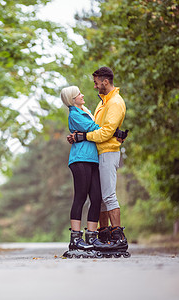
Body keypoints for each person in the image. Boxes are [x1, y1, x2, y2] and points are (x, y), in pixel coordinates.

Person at [67, 67, 128, 251]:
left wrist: (83, 137)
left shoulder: (115, 102)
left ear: (105, 81)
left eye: (96, 82)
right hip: (98, 152)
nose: (94, 86)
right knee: (100, 197)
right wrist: (79, 135)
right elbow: (97, 127)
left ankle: (118, 236)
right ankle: (103, 234)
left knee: (108, 195)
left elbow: (104, 132)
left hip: (108, 151)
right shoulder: (103, 103)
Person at [60, 85, 113, 258]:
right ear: (72, 99)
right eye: (78, 94)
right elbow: (94, 128)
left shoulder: (84, 110)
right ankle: (75, 239)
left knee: (96, 197)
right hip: (80, 159)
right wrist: (112, 130)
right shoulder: (75, 114)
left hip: (92, 159)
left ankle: (91, 237)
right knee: (81, 197)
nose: (82, 95)